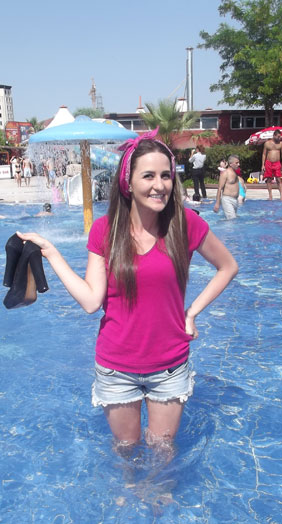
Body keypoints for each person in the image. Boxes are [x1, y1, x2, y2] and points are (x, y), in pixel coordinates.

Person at [16, 128, 238, 448]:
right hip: (116, 367)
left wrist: (192, 313)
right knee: (126, 452)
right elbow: (91, 301)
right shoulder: (104, 230)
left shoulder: (185, 223)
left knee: (162, 453)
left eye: (165, 175)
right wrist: (51, 253)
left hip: (170, 364)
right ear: (128, 182)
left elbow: (228, 266)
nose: (160, 185)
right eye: (148, 176)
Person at [262, 129, 282, 200]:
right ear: (274, 136)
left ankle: (281, 195)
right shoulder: (267, 143)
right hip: (268, 162)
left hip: (277, 163)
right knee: (269, 179)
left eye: (280, 137)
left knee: (278, 179)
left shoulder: (281, 143)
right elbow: (264, 154)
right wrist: (262, 165)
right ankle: (270, 195)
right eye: (278, 136)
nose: (279, 138)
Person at [213, 155, 241, 219]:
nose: (239, 164)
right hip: (227, 200)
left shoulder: (235, 173)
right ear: (230, 164)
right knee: (232, 219)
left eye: (238, 162)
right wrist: (217, 203)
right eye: (236, 163)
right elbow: (220, 188)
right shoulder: (225, 173)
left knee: (233, 219)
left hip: (235, 200)